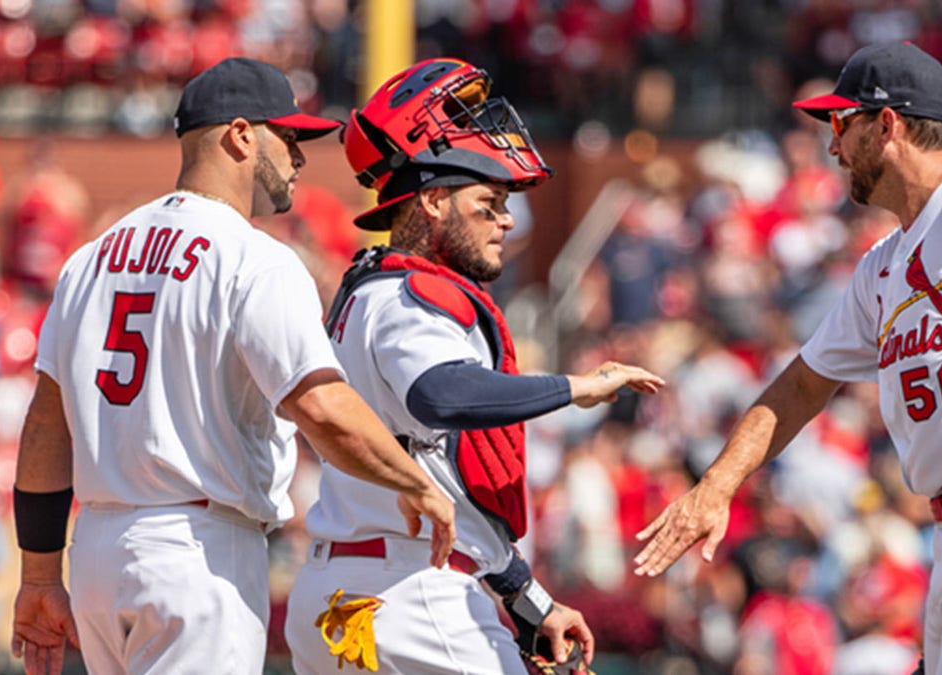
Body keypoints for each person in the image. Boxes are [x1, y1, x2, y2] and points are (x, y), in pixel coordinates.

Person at [632, 41, 942, 673]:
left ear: (888, 125)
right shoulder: (884, 263)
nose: (832, 146)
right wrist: (715, 487)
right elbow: (801, 386)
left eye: (842, 124)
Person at [10, 57, 456, 675]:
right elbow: (321, 405)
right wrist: (415, 480)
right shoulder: (253, 258)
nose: (299, 158)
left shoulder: (92, 257)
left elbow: (44, 427)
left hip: (96, 555)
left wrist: (38, 573)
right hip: (197, 552)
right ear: (242, 135)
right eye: (290, 137)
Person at [283, 57, 665, 674]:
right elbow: (443, 393)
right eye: (488, 201)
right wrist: (577, 387)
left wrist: (530, 599)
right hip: (414, 597)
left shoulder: (367, 290)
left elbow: (443, 474)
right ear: (433, 201)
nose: (507, 219)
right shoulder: (417, 295)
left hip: (344, 594)